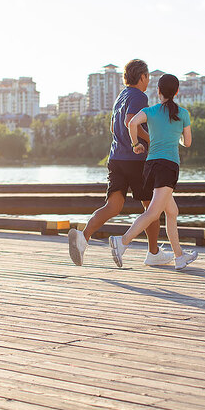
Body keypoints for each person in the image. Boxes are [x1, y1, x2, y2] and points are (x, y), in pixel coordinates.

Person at [68, 59, 174, 266]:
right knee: (151, 207)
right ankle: (153, 253)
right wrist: (149, 139)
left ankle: (83, 238)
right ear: (142, 77)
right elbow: (130, 121)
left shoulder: (120, 97)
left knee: (113, 206)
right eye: (148, 77)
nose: (148, 81)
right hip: (136, 159)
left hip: (116, 158)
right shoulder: (138, 96)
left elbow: (113, 128)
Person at [109, 73, 198, 270]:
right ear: (176, 92)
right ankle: (122, 242)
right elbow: (188, 142)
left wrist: (135, 144)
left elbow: (131, 123)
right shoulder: (183, 114)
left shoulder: (150, 111)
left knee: (172, 211)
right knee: (153, 212)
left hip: (150, 166)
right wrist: (177, 136)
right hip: (168, 166)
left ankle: (179, 257)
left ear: (158, 91)